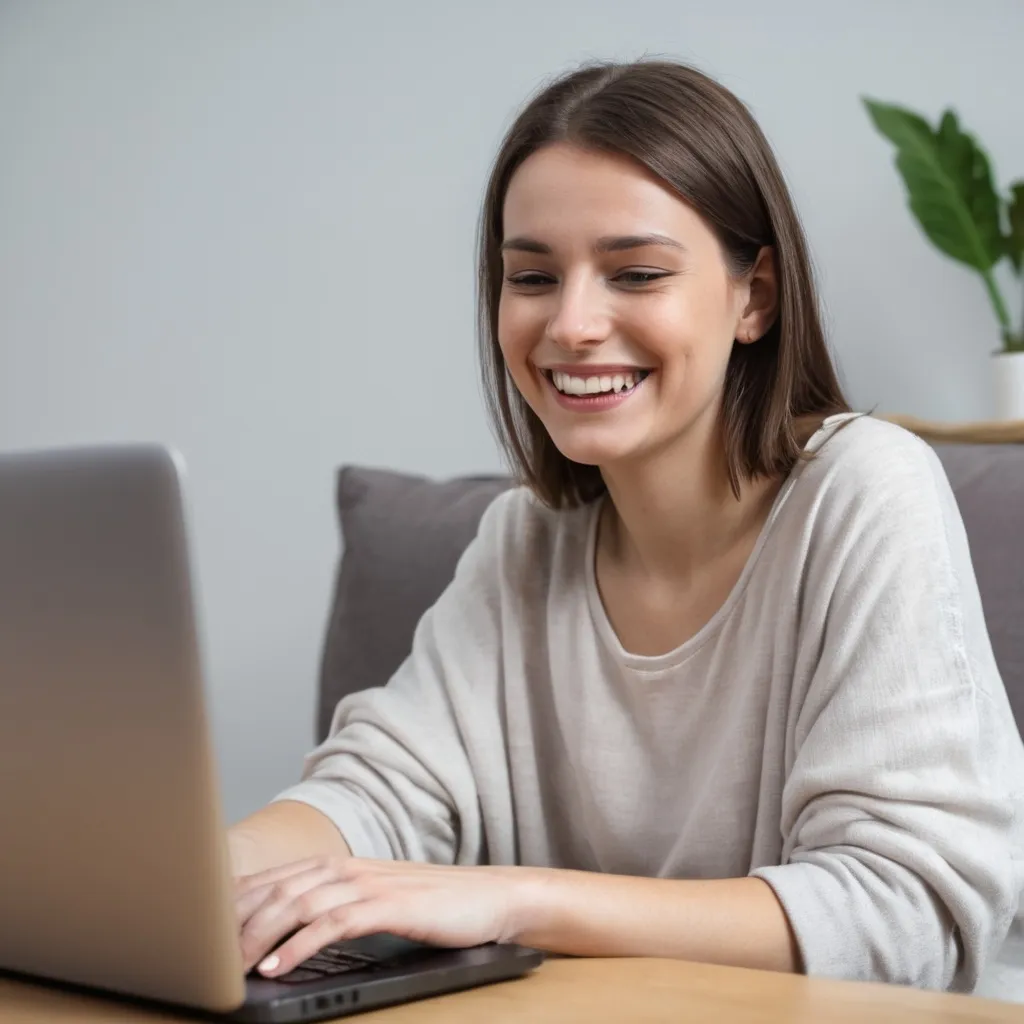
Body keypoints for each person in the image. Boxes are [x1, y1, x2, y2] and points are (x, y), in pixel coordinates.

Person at [229, 59, 1024, 992]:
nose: (570, 324)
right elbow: (375, 791)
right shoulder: (524, 542)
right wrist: (190, 874)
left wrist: (514, 900)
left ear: (754, 297)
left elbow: (906, 910)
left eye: (636, 272)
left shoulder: (863, 491)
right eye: (531, 276)